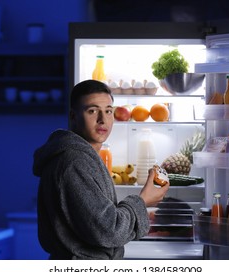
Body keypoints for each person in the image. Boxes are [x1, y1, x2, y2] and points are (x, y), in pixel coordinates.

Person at [32, 79, 169, 260]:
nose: (102, 119)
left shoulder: (83, 157)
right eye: (92, 111)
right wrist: (142, 201)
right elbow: (109, 231)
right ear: (73, 116)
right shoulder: (74, 162)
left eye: (108, 111)